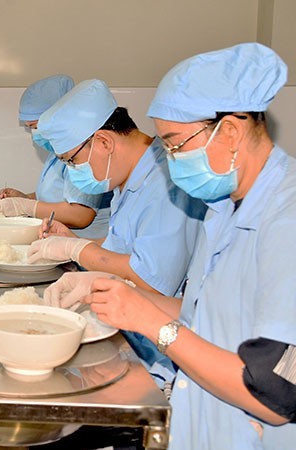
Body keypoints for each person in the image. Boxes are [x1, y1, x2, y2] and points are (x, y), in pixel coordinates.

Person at [76, 43, 295, 449]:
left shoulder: (287, 219)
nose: (169, 159)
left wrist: (151, 323)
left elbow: (277, 392)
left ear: (229, 131)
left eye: (175, 144)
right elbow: (205, 314)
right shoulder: (225, 208)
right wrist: (111, 294)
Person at [31, 79, 206, 387]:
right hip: (132, 334)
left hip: (165, 357)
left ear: (104, 142)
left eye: (72, 161)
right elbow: (123, 248)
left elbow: (151, 279)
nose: (73, 171)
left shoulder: (166, 184)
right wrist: (74, 242)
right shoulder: (128, 177)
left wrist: (77, 252)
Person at [0, 75, 110, 239]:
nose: (35, 133)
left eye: (36, 126)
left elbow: (80, 214)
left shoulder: (80, 152)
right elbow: (59, 192)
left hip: (87, 247)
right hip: (65, 245)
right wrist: (26, 198)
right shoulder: (57, 151)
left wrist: (27, 207)